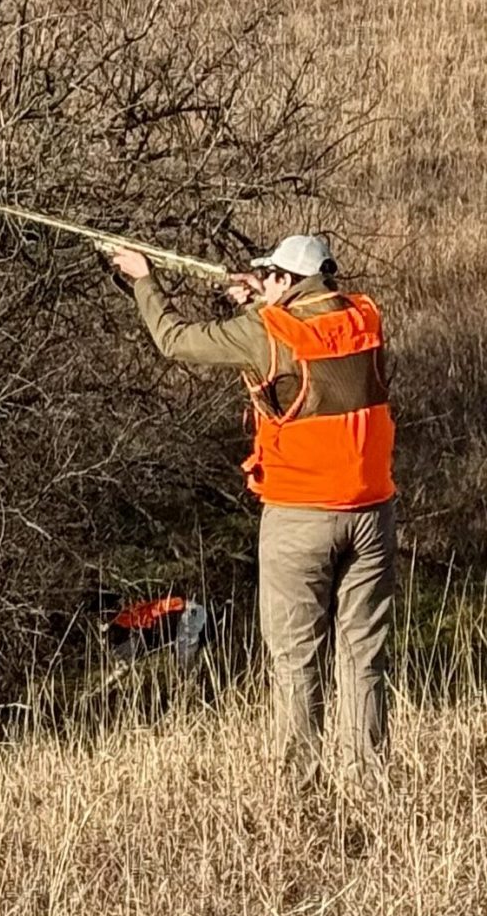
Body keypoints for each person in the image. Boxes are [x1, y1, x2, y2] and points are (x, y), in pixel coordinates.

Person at [108, 232, 394, 782]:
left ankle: (300, 785)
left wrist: (143, 279)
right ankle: (367, 784)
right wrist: (262, 297)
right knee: (363, 655)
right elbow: (313, 345)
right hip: (373, 513)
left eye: (269, 274)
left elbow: (174, 339)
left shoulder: (267, 330)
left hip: (299, 516)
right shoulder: (364, 318)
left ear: (285, 281)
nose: (260, 279)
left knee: (295, 659)